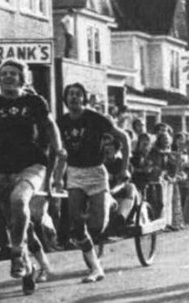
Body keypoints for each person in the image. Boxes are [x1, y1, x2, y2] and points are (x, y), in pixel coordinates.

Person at [0, 59, 62, 295]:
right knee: (19, 224)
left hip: (32, 164)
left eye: (13, 73)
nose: (8, 77)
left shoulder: (33, 101)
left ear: (22, 78)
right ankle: (30, 268)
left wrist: (58, 148)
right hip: (2, 169)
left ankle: (17, 254)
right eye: (4, 73)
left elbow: (50, 126)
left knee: (20, 201)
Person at [56, 82, 131, 283]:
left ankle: (111, 202)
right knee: (76, 223)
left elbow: (123, 138)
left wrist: (124, 168)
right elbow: (57, 153)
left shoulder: (95, 118)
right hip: (74, 174)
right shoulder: (61, 122)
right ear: (65, 99)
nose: (73, 97)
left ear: (84, 98)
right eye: (70, 94)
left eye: (78, 94)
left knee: (97, 226)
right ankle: (95, 268)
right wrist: (55, 179)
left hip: (96, 173)